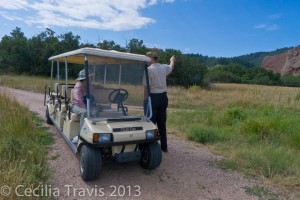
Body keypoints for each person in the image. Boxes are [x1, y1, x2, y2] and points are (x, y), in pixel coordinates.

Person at [145, 51, 175, 152]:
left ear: (150, 59)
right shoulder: (164, 67)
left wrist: (145, 101)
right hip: (163, 98)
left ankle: (151, 148)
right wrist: (172, 60)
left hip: (153, 97)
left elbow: (146, 88)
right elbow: (171, 67)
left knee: (151, 124)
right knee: (162, 124)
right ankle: (164, 147)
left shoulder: (148, 70)